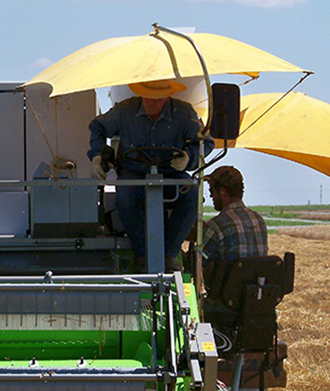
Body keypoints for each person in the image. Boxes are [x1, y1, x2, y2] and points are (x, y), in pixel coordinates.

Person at [87, 79, 211, 272]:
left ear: (167, 96)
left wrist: (189, 157)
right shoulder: (124, 111)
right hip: (133, 175)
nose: (151, 103)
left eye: (157, 99)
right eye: (147, 97)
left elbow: (205, 142)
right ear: (140, 93)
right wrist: (96, 156)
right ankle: (142, 254)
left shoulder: (185, 113)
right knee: (125, 196)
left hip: (171, 174)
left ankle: (170, 253)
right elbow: (98, 126)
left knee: (192, 194)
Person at [198, 165, 268, 268]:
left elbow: (198, 262)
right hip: (257, 283)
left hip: (227, 284)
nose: (211, 196)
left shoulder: (217, 225)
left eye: (211, 191)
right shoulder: (259, 220)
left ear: (222, 191)